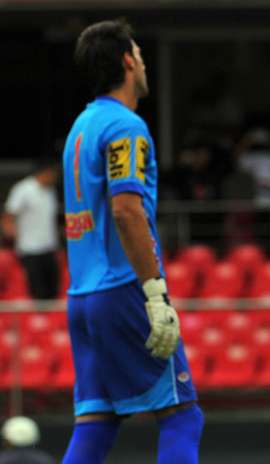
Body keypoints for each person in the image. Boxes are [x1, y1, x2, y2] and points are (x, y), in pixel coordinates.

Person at [61, 20, 203, 464]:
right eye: (139, 55)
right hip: (123, 290)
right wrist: (155, 294)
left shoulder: (80, 127)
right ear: (127, 61)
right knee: (183, 417)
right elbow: (126, 211)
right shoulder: (126, 126)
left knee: (96, 423)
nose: (143, 63)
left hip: (82, 297)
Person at [2, 159, 60, 299]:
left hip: (50, 247)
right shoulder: (23, 189)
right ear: (45, 173)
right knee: (37, 291)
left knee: (53, 290)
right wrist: (11, 237)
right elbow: (9, 215)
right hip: (30, 249)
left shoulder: (50, 191)